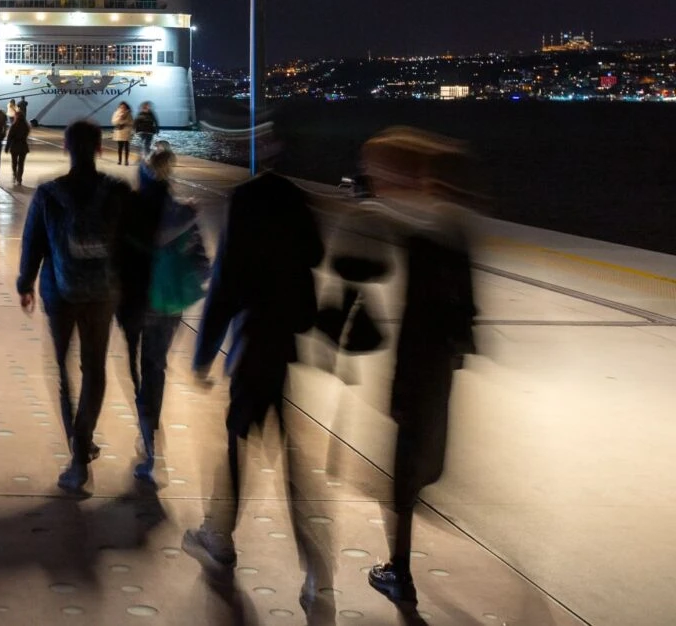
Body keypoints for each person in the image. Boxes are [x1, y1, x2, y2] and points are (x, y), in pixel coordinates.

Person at [182, 134, 330, 608]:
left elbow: (225, 281)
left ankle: (218, 535)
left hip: (251, 342)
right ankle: (314, 566)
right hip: (285, 340)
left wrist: (205, 353)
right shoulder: (296, 199)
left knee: (237, 442)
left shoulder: (243, 200)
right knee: (287, 453)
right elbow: (315, 255)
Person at [363, 129, 478, 608]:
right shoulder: (455, 229)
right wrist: (458, 350)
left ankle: (400, 573)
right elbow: (468, 309)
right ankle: (404, 552)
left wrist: (396, 382)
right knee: (422, 460)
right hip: (442, 367)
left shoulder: (424, 238)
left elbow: (414, 314)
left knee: (401, 478)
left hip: (418, 365)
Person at [16, 121, 131, 492]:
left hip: (60, 290)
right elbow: (133, 245)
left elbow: (33, 242)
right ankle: (85, 438)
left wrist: (25, 283)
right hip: (103, 292)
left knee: (64, 371)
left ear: (66, 148)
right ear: (100, 148)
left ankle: (78, 456)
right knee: (95, 368)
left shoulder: (50, 193)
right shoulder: (117, 191)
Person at [118, 143, 206, 483]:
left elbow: (117, 257)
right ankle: (150, 438)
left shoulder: (130, 210)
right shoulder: (185, 213)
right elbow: (202, 264)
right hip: (168, 303)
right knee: (155, 367)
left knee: (136, 369)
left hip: (135, 302)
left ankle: (148, 430)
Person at [6, 103, 31, 186]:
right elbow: (26, 136)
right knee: (21, 163)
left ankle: (14, 174)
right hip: (23, 146)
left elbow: (9, 138)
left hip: (14, 146)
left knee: (14, 162)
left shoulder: (13, 126)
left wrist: (7, 147)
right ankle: (19, 178)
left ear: (16, 117)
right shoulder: (26, 126)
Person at [111, 101, 134, 165]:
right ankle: (119, 160)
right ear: (119, 107)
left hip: (126, 132)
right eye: (121, 107)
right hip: (119, 132)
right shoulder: (116, 113)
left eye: (124, 107)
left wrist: (125, 122)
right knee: (120, 147)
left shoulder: (129, 114)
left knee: (127, 147)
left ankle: (126, 161)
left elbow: (132, 122)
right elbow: (113, 122)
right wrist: (119, 118)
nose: (122, 108)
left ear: (126, 107)